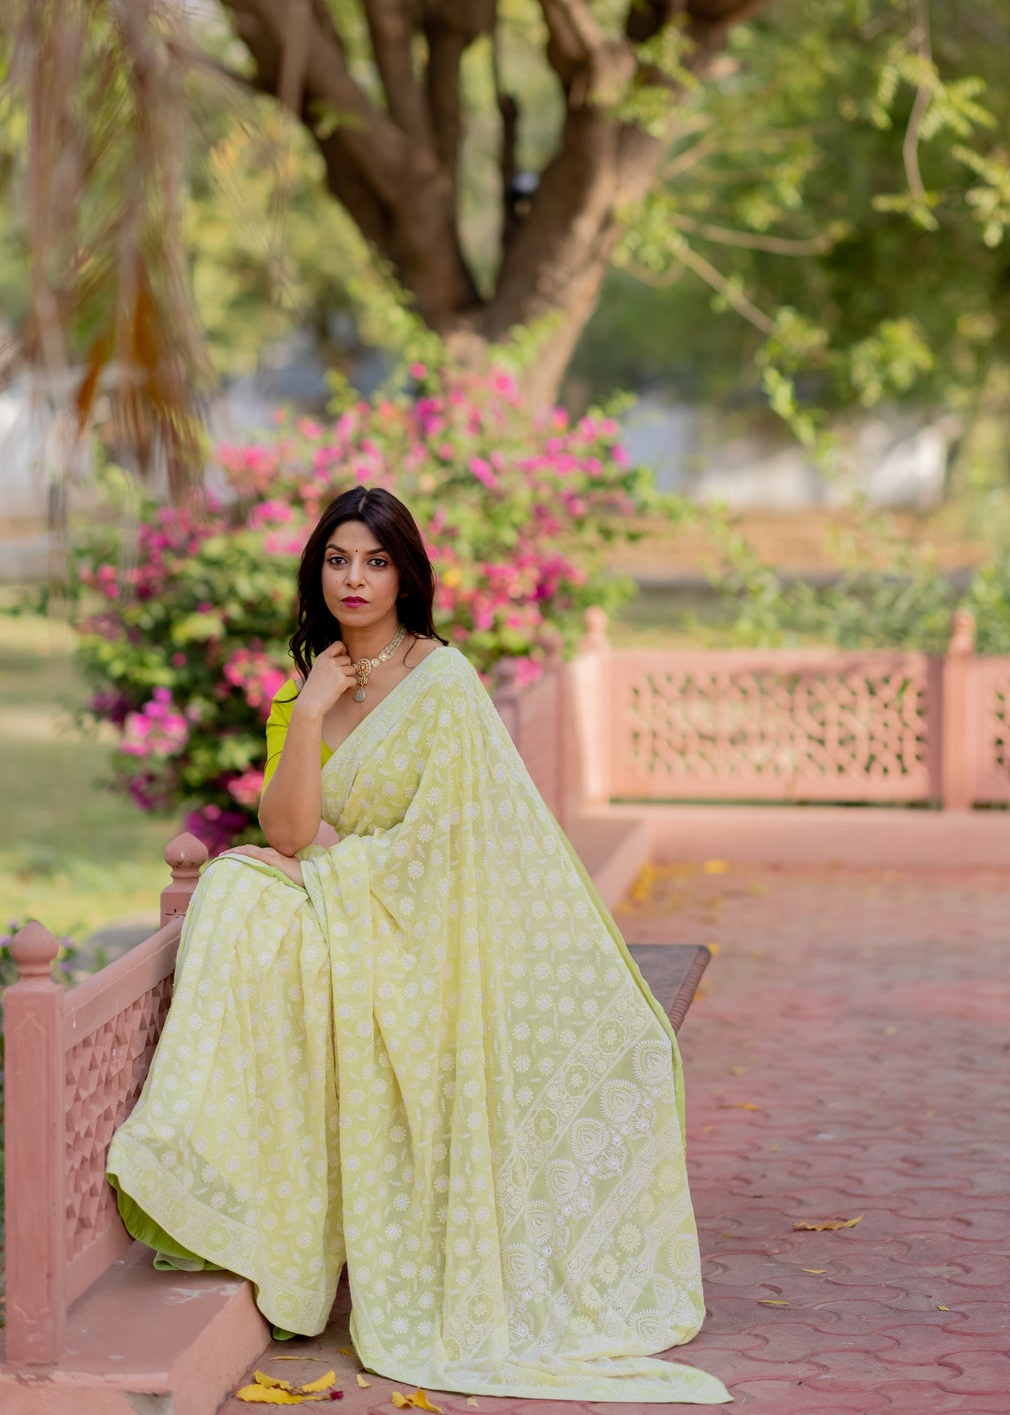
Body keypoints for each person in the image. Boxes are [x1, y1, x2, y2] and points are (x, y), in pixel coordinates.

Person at [107, 485, 729, 1404]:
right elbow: (287, 833)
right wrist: (312, 712)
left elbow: (456, 843)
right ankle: (202, 1178)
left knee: (247, 888)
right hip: (352, 917)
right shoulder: (306, 690)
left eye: (376, 560)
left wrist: (336, 865)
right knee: (239, 887)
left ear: (406, 574)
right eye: (337, 560)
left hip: (429, 933)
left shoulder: (444, 682)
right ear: (317, 573)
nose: (355, 579)